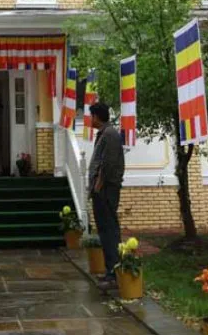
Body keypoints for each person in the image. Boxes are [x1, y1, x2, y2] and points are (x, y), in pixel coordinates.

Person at [87, 101, 125, 286]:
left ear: (96, 116)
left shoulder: (110, 134)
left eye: (91, 115)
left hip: (106, 190)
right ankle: (111, 268)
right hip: (101, 189)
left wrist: (99, 185)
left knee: (109, 229)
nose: (90, 119)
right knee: (104, 229)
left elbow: (108, 163)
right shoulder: (104, 134)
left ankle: (114, 271)